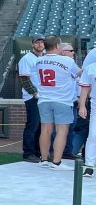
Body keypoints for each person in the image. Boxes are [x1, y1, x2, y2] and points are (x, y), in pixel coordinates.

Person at [32, 35, 80, 170]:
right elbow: (79, 73)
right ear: (58, 46)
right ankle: (57, 162)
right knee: (61, 131)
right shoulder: (67, 61)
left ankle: (44, 159)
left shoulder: (39, 61)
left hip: (44, 99)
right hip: (62, 100)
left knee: (45, 129)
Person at [18, 36, 45, 162]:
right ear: (32, 44)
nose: (40, 44)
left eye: (42, 42)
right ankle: (28, 153)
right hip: (32, 97)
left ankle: (38, 151)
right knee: (33, 125)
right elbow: (24, 79)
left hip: (44, 97)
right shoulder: (27, 59)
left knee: (41, 126)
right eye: (37, 42)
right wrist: (34, 93)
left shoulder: (44, 58)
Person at [76, 61, 96, 178]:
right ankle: (89, 166)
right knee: (93, 134)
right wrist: (82, 105)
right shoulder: (91, 68)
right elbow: (84, 88)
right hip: (95, 103)